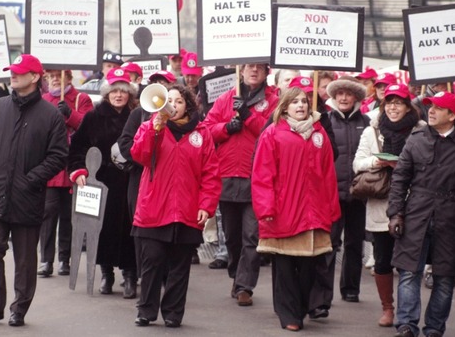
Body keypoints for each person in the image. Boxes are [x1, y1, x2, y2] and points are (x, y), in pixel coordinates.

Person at [0, 54, 68, 327]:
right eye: (11, 72)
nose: (12, 76)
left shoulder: (50, 115)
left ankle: (19, 309)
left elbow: (57, 156)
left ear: (35, 77)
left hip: (28, 198)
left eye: (18, 72)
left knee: (26, 259)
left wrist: (32, 180)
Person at [387, 91, 455, 337]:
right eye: (429, 106)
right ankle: (406, 326)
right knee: (409, 272)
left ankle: (434, 328)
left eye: (438, 108)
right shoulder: (416, 139)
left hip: (452, 216)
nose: (430, 111)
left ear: (452, 115)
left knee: (444, 276)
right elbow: (400, 179)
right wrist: (395, 213)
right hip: (416, 212)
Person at [130, 84, 221, 328]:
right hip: (154, 209)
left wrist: (207, 205)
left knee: (180, 266)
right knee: (152, 261)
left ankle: (173, 312)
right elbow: (139, 155)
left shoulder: (202, 134)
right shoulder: (151, 127)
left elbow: (211, 173)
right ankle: (146, 310)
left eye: (178, 101)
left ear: (187, 105)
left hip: (187, 210)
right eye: (168, 100)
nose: (173, 105)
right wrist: (154, 129)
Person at [252, 86, 340, 331]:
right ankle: (289, 314)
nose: (301, 106)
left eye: (304, 101)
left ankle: (300, 308)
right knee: (286, 267)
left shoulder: (319, 133)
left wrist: (332, 208)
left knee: (310, 266)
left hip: (314, 211)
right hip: (284, 210)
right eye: (295, 102)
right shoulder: (272, 134)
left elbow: (328, 175)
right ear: (285, 106)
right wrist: (266, 207)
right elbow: (262, 175)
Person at [203, 63, 278, 306]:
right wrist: (226, 128)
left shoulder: (274, 100)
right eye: (249, 67)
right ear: (241, 71)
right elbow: (206, 131)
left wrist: (247, 116)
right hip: (226, 175)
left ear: (267, 72)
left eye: (259, 67)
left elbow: (272, 133)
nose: (253, 71)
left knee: (251, 235)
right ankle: (237, 274)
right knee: (232, 236)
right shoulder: (226, 98)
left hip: (255, 176)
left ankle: (245, 286)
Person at [353, 84, 425, 327]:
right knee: (383, 260)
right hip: (382, 201)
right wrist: (378, 161)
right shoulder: (371, 130)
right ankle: (388, 308)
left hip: (413, 202)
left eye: (399, 102)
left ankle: (407, 313)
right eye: (389, 102)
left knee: (409, 262)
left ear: (407, 106)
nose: (393, 107)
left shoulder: (422, 130)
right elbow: (357, 164)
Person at [68, 67, 138, 299]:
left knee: (131, 229)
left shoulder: (137, 117)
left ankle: (130, 275)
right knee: (103, 230)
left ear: (130, 94)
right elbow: (78, 147)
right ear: (107, 93)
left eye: (123, 91)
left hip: (131, 182)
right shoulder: (93, 117)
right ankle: (106, 273)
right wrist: (79, 170)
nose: (118, 95)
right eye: (114, 91)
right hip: (102, 183)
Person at [37, 69, 93, 277]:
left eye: (57, 76)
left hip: (72, 165)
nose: (53, 79)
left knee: (69, 216)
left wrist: (70, 114)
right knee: (47, 214)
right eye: (49, 77)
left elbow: (88, 128)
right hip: (51, 167)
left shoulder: (81, 99)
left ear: (68, 78)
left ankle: (64, 259)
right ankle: (46, 260)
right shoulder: (42, 100)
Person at [322, 75, 370, 306]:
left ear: (356, 98)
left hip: (358, 193)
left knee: (354, 243)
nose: (343, 97)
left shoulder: (368, 122)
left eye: (348, 93)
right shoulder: (325, 121)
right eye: (339, 93)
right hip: (331, 193)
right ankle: (323, 293)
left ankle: (351, 288)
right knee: (330, 244)